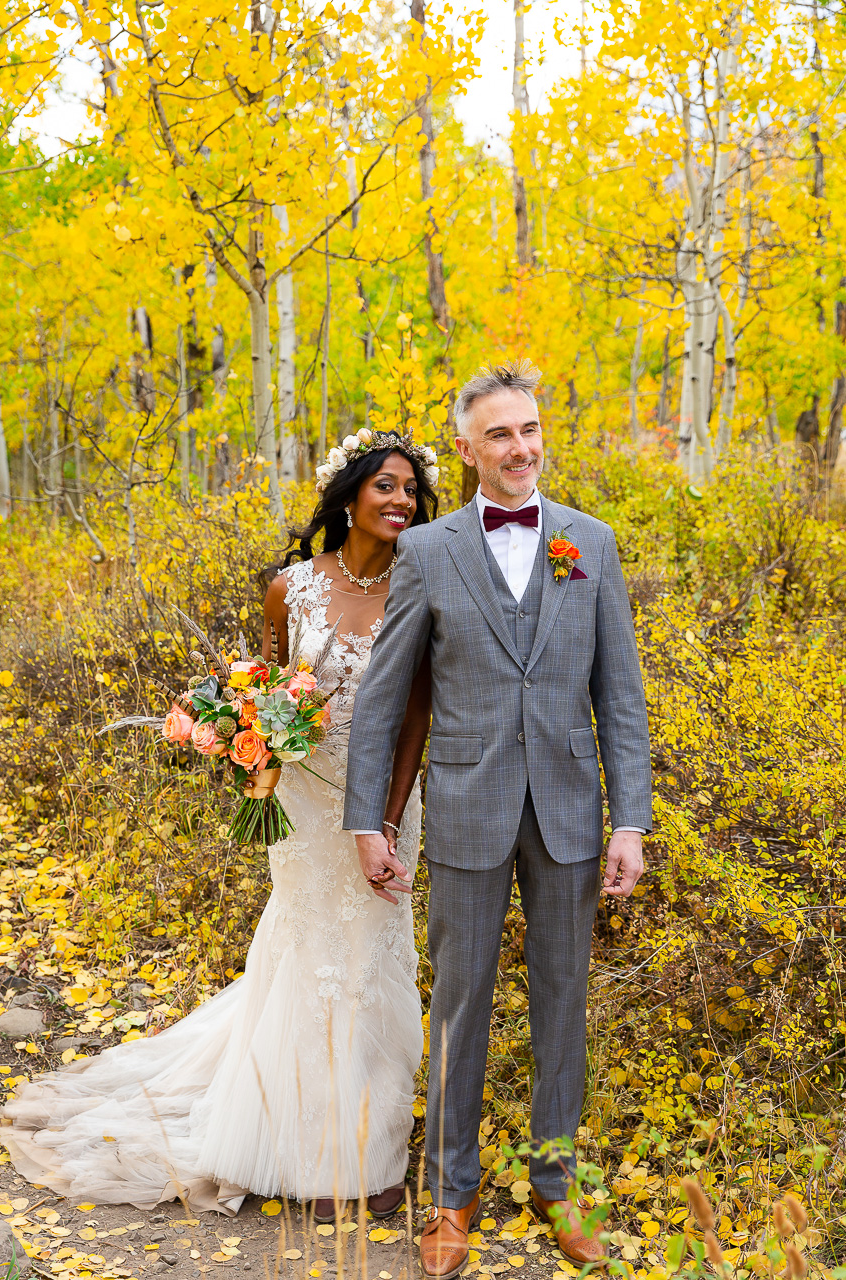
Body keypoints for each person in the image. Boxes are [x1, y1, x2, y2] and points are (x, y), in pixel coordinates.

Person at [0, 429, 438, 1221]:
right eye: (385, 486)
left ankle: (368, 1153)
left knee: (373, 958)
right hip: (303, 801)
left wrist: (390, 813)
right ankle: (287, 1139)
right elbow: (264, 686)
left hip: (379, 800)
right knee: (308, 955)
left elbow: (417, 717)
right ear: (349, 496)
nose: (401, 500)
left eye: (411, 488)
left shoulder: (422, 587)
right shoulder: (290, 588)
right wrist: (250, 750)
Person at [344, 362, 652, 1275]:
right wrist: (371, 819)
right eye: (499, 436)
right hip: (469, 804)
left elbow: (621, 699)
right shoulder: (429, 551)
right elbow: (385, 697)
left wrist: (629, 821)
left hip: (568, 812)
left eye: (529, 429)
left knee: (563, 1004)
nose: (520, 449)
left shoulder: (589, 541)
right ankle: (450, 1193)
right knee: (461, 1004)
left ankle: (557, 1186)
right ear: (469, 450)